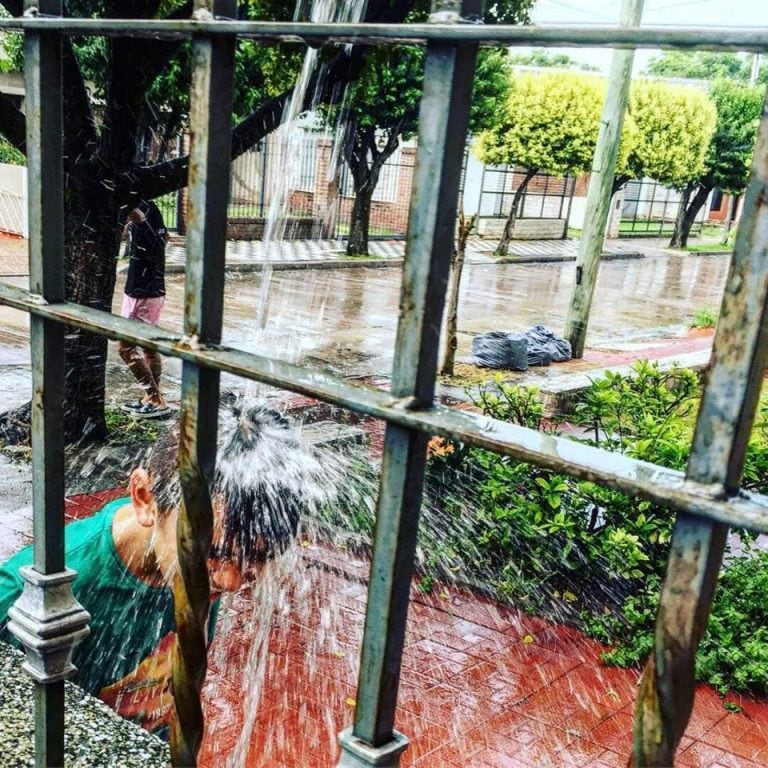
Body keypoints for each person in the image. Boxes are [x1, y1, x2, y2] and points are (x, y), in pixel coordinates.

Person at [0, 406, 321, 735]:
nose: (231, 580)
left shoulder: (195, 549)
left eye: (259, 557)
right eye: (210, 552)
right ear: (144, 498)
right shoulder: (30, 592)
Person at [118, 200, 170, 419]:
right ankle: (152, 398)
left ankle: (155, 398)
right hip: (145, 289)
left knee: (124, 347)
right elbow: (165, 237)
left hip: (144, 292)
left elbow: (160, 242)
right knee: (149, 347)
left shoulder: (145, 208)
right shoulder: (145, 205)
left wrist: (141, 221)